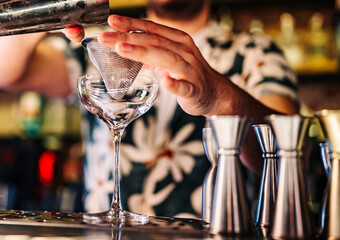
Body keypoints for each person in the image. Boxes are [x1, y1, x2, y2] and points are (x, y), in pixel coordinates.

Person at [0, 0, 299, 218]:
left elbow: (288, 157)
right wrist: (50, 7)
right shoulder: (102, 43)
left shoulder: (255, 52)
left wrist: (220, 97)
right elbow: (7, 72)